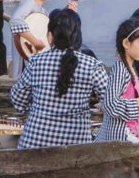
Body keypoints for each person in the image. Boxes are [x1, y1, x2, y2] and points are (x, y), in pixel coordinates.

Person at [10, 8, 108, 149]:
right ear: (78, 36)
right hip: (76, 149)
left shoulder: (36, 61)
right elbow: (112, 104)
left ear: (50, 36)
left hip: (33, 145)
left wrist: (38, 103)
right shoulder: (93, 65)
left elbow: (18, 102)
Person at [9, 0, 72, 79]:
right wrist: (35, 42)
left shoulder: (43, 12)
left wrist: (70, 13)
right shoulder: (28, 3)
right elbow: (15, 20)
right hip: (26, 70)